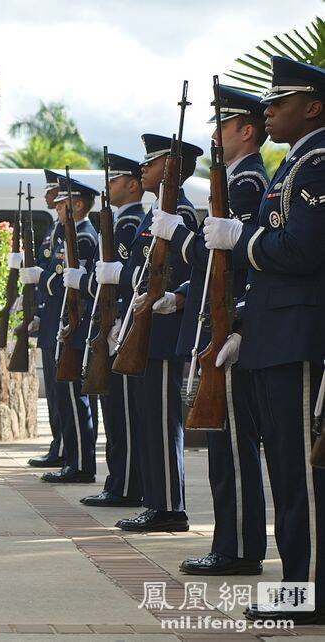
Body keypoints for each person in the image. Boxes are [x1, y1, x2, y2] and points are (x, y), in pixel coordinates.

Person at [203, 56, 325, 625]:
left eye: (281, 101)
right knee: (285, 469)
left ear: (314, 108)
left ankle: (311, 592)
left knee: (301, 470)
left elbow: (302, 251)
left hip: (299, 335)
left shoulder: (318, 164)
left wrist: (242, 239)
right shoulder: (295, 164)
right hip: (275, 333)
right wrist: (246, 325)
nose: (269, 109)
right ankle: (298, 584)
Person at [152, 85, 269, 575]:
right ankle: (230, 544)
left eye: (222, 127)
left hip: (229, 329)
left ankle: (239, 549)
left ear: (246, 130)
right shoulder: (238, 181)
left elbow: (223, 259)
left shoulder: (245, 186)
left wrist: (176, 234)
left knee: (234, 447)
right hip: (213, 326)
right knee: (222, 447)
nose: (216, 137)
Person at [95, 133, 203, 532]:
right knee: (146, 420)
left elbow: (179, 274)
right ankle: (155, 501)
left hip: (161, 330)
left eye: (152, 162)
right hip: (142, 327)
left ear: (173, 170)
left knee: (160, 421)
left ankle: (170, 507)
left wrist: (120, 276)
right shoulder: (153, 214)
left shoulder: (183, 216)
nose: (144, 168)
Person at [22, 176, 98, 483]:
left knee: (73, 396)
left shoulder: (83, 236)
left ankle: (77, 461)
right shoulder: (68, 233)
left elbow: (69, 280)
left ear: (78, 205)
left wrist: (41, 279)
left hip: (73, 323)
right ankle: (68, 455)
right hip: (59, 320)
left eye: (62, 202)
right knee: (61, 395)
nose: (56, 206)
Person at [79, 153, 144, 507]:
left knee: (122, 414)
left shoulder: (129, 223)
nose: (108, 187)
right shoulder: (122, 221)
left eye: (114, 180)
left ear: (132, 185)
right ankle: (117, 481)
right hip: (112, 323)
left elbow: (119, 280)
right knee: (114, 412)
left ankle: (126, 485)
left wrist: (115, 317)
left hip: (121, 326)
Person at [27, 169, 66, 469]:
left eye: (53, 192)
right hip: (50, 315)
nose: (47, 196)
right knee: (53, 390)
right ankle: (59, 444)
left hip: (60, 317)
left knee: (60, 388)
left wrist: (41, 279)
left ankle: (64, 446)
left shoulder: (67, 230)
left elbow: (57, 273)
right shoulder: (56, 227)